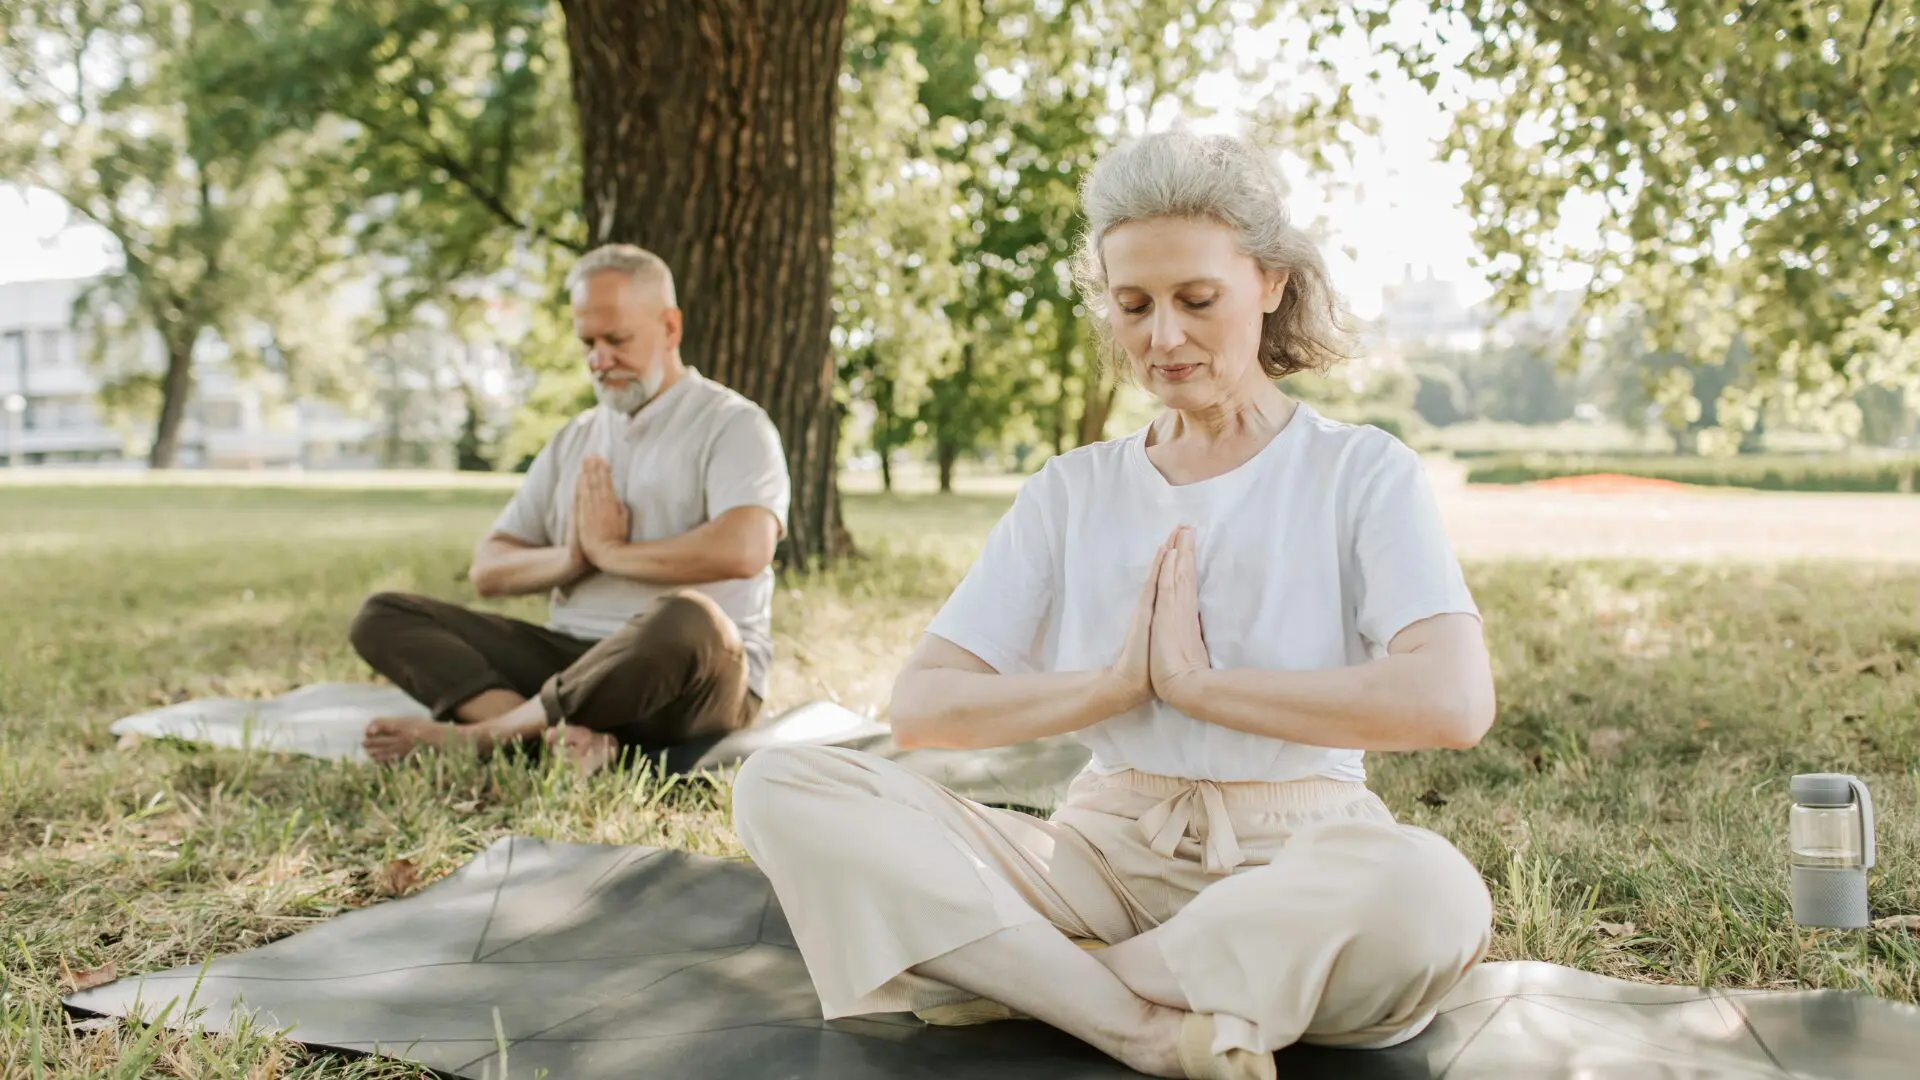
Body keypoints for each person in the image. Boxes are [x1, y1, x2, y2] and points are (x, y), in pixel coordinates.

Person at [728, 130, 1497, 1080]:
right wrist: (1113, 687)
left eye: (1196, 300)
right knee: (782, 786)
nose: (1162, 337)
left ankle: (1046, 980)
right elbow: (925, 708)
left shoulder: (1361, 471)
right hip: (1095, 859)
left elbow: (1453, 702)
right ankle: (1139, 1025)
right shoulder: (1072, 489)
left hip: (1300, 861)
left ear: (1271, 284)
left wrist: (1198, 686)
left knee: (1431, 895)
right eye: (1134, 305)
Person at [350, 243, 791, 773]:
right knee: (384, 615)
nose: (599, 360)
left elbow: (744, 549)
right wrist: (573, 559)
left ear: (670, 327)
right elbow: (488, 568)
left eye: (617, 340)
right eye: (588, 343)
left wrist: (611, 551)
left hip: (688, 680)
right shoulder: (574, 438)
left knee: (688, 617)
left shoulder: (733, 424)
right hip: (573, 660)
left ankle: (490, 737)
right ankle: (554, 742)